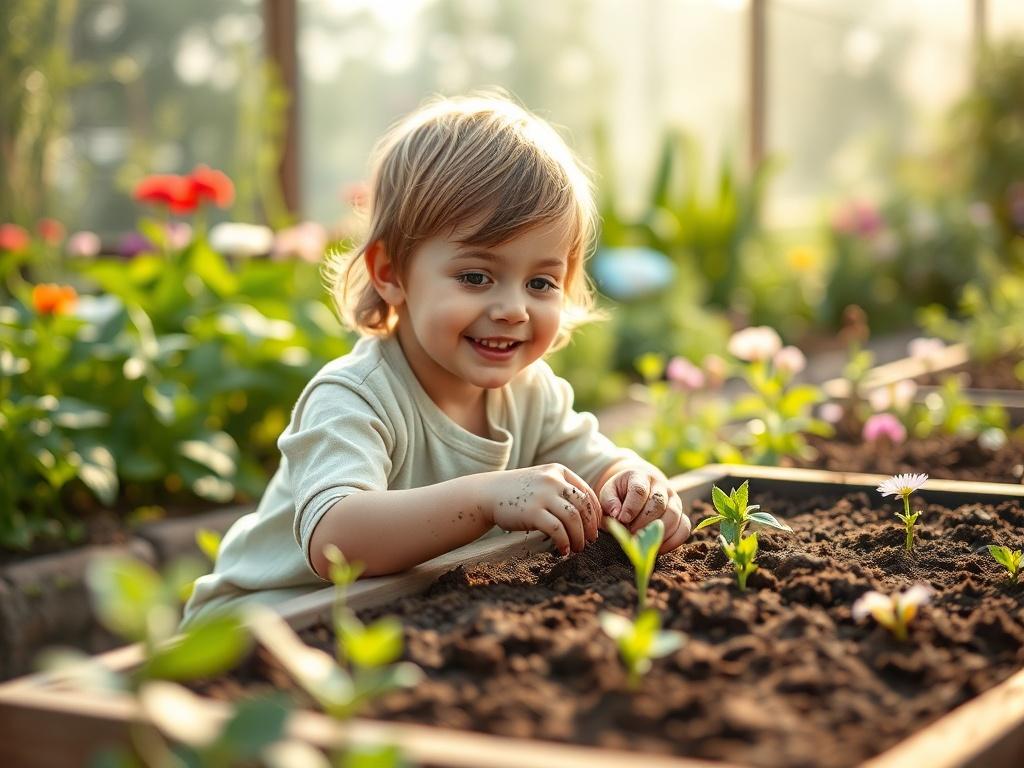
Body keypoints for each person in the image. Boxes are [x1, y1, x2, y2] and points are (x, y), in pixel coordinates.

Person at [182, 93, 691, 627]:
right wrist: (486, 499)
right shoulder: (354, 396)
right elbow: (337, 540)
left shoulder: (531, 392)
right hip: (260, 625)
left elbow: (600, 465)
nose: (513, 309)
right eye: (476, 277)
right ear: (390, 272)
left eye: (540, 282)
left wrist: (638, 486)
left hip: (383, 618)